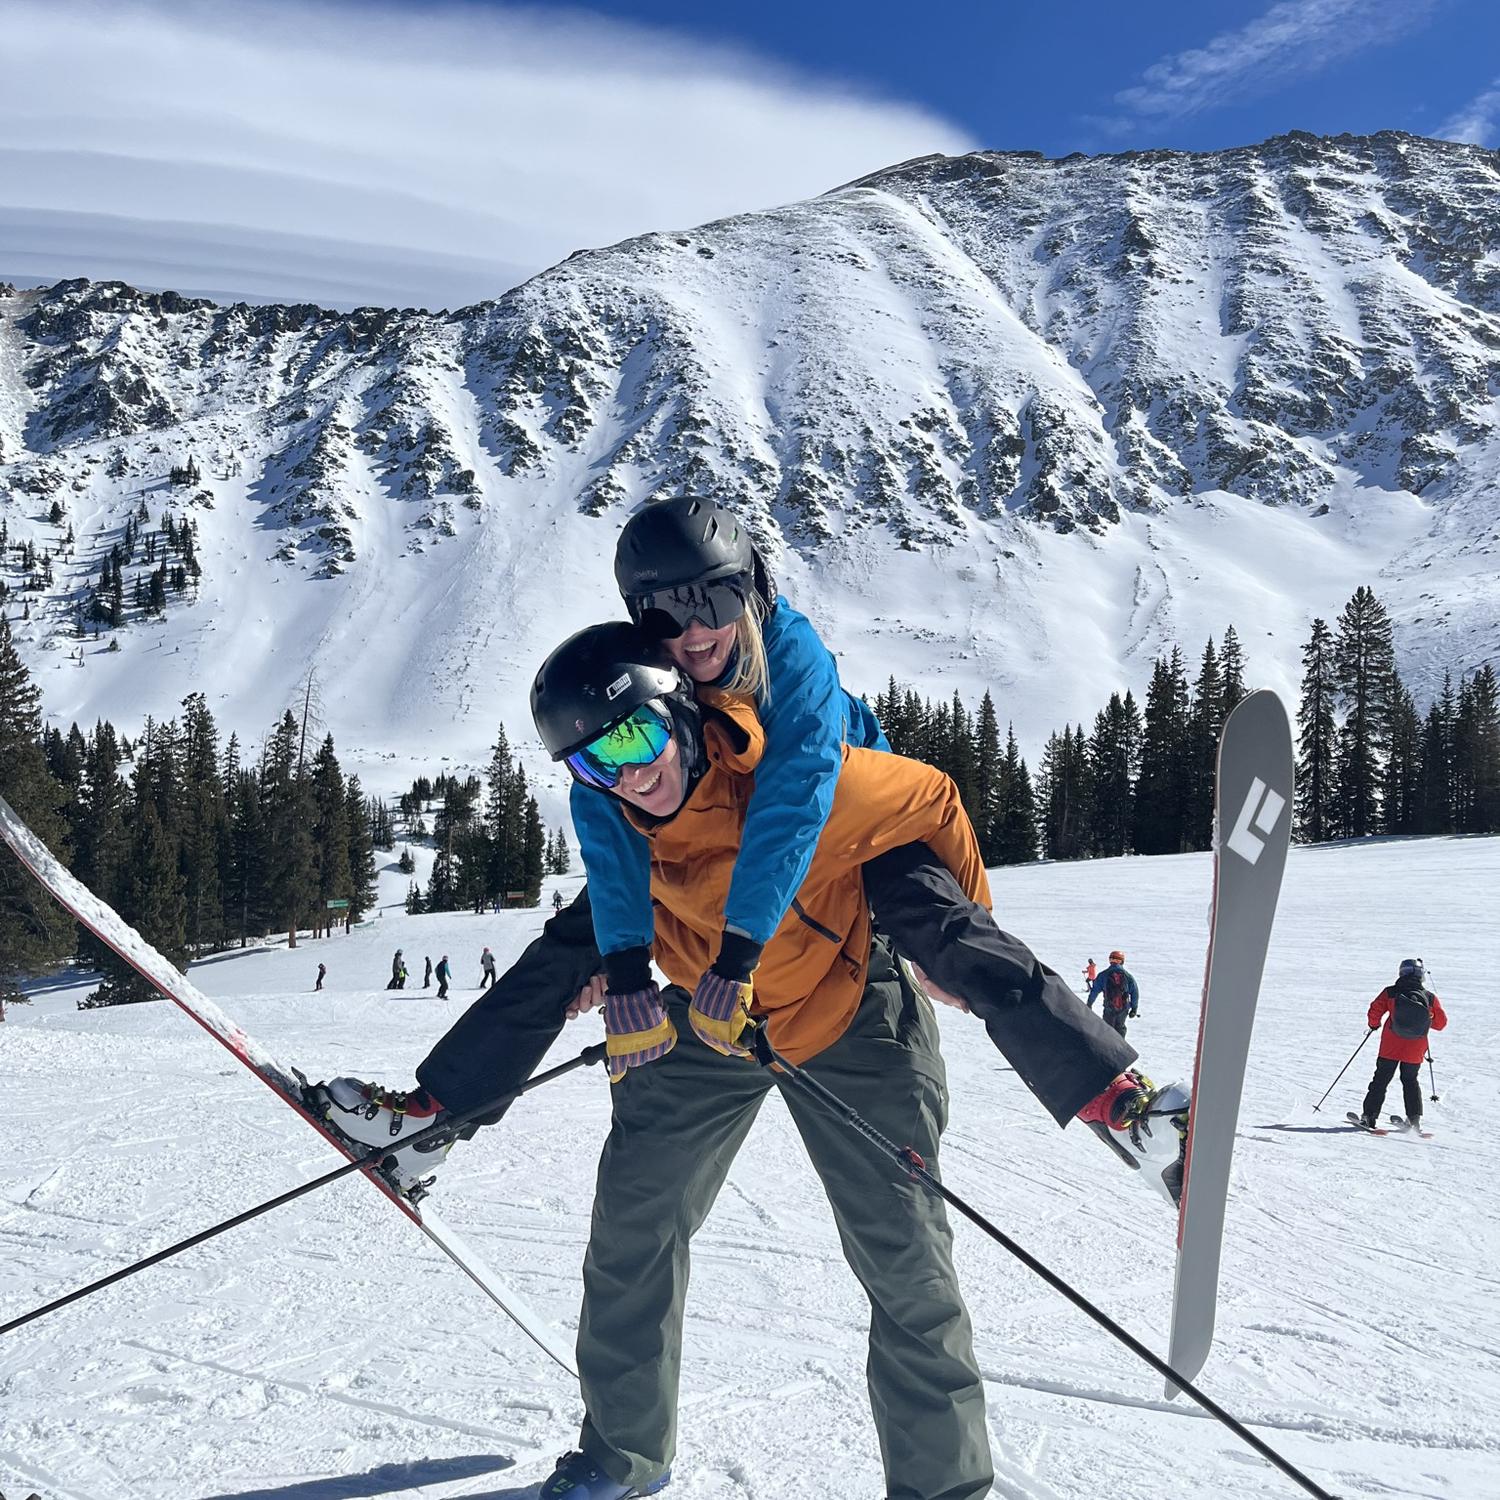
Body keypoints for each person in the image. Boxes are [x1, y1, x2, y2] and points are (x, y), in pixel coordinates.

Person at [312, 625, 1189, 1498]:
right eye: (592, 764)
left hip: (853, 1016)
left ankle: (946, 1482)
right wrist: (565, 1012)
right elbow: (567, 955)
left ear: (681, 714)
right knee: (633, 1230)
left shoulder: (812, 792)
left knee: (906, 1265)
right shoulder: (628, 827)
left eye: (634, 736)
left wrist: (1090, 1074)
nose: (626, 773)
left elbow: (944, 886)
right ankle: (620, 1451)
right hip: (710, 1021)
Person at [1359, 958, 1446, 1130]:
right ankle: (1414, 1121)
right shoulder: (1429, 997)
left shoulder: (1391, 992)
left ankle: (1369, 1116)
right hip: (1415, 1048)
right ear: (1421, 975)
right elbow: (1440, 1024)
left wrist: (1374, 1025)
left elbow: (1375, 1009)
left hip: (1390, 1046)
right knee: (1410, 1081)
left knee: (1381, 1080)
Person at [1088, 950, 1138, 1037]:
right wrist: (1134, 1008)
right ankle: (1121, 1047)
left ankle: (1106, 1048)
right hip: (1124, 1007)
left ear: (1110, 960)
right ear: (1122, 961)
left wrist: (1089, 1004)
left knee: (1107, 1029)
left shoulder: (1103, 975)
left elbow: (1094, 991)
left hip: (1109, 1007)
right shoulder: (1128, 976)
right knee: (1120, 1027)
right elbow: (1135, 992)